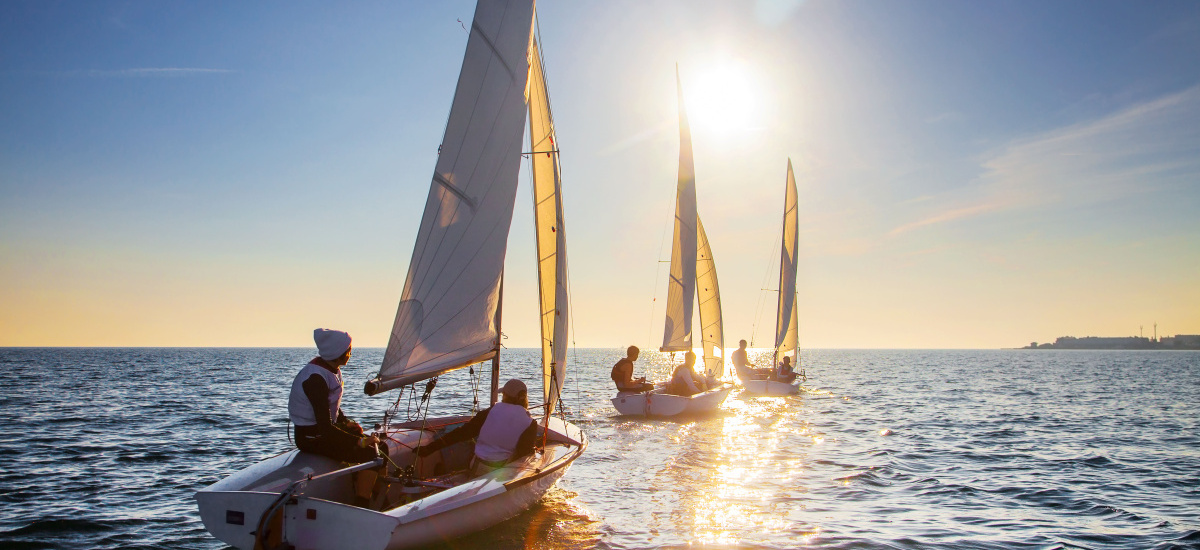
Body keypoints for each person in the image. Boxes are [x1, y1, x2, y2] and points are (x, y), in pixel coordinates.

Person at [288, 328, 386, 506]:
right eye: (348, 350)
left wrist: (346, 422)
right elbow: (325, 428)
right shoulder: (315, 379)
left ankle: (378, 498)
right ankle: (361, 505)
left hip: (323, 432)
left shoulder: (331, 369)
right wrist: (359, 442)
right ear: (339, 354)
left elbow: (332, 407)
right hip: (311, 438)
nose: (351, 353)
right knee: (370, 452)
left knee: (382, 446)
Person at [417, 379, 538, 475]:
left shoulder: (489, 412)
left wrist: (429, 448)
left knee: (469, 442)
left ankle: (452, 472)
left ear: (505, 395)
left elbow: (461, 433)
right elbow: (524, 452)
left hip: (478, 467)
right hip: (503, 471)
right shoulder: (530, 422)